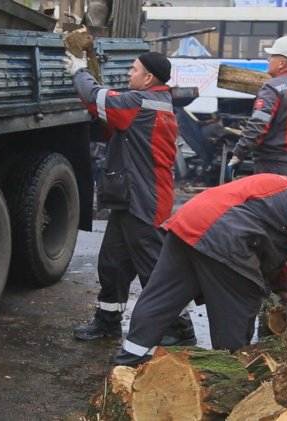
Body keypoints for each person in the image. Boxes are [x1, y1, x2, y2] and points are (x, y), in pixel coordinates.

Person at [112, 174, 287, 367]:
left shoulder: (282, 187)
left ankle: (127, 360)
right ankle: (233, 371)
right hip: (223, 236)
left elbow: (270, 254)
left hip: (189, 222)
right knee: (240, 305)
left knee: (160, 299)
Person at [63, 50, 195, 345]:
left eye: (133, 70)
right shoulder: (151, 101)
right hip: (131, 198)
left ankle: (181, 328)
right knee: (112, 263)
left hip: (145, 200)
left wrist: (79, 71)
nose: (128, 74)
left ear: (149, 78)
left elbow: (98, 97)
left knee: (154, 270)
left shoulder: (140, 103)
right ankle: (108, 320)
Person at [228, 35, 287, 178]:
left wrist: (237, 155)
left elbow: (258, 125)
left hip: (273, 164)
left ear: (282, 62)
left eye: (272, 56)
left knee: (270, 200)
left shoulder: (272, 87)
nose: (268, 59)